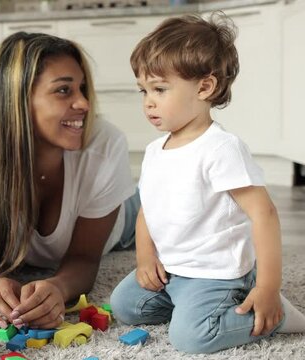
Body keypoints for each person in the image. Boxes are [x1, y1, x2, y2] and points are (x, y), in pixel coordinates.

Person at [109, 13, 305, 354]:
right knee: (125, 305)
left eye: (159, 89)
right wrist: (145, 258)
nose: (148, 101)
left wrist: (269, 287)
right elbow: (147, 210)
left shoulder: (220, 148)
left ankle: (274, 315)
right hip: (173, 270)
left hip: (216, 274)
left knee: (192, 337)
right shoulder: (156, 150)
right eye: (144, 90)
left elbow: (264, 215)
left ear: (205, 87)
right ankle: (194, 307)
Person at [0, 32, 139, 330]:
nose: (83, 103)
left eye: (82, 88)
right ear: (16, 100)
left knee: (165, 211)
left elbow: (84, 257)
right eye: (63, 90)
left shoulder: (105, 145)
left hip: (125, 218)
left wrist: (58, 287)